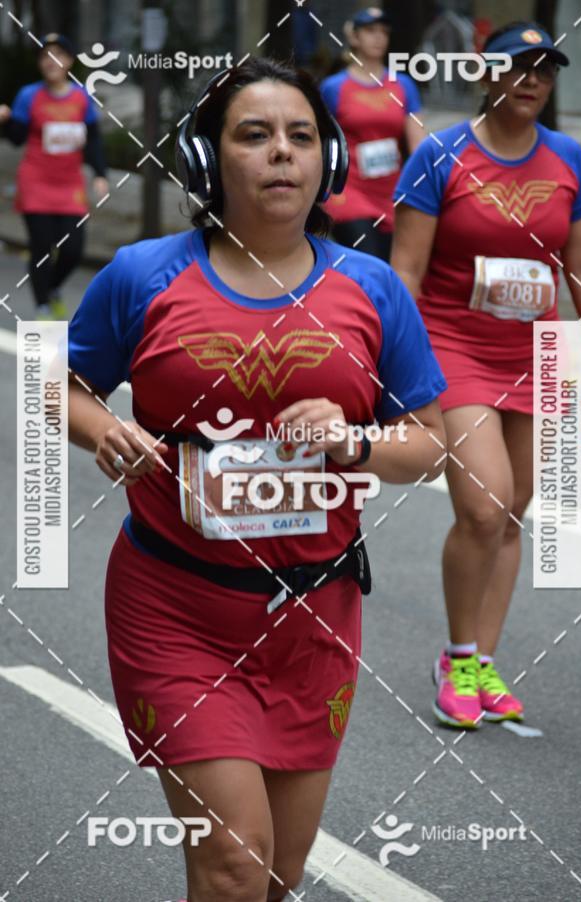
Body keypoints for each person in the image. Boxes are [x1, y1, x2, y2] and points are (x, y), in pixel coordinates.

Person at [68, 58, 447, 902]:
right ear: (208, 160)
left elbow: (430, 445)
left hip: (314, 620)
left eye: (301, 136)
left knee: (277, 876)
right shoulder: (141, 275)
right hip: (175, 610)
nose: (282, 152)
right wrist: (104, 429)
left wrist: (353, 441)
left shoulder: (374, 289)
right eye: (254, 134)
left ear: (329, 160)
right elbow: (62, 388)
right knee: (234, 864)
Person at [392, 22, 581, 730]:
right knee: (483, 507)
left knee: (514, 511)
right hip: (455, 347)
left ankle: (483, 658)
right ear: (488, 74)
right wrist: (396, 367)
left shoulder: (568, 159)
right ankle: (455, 659)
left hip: (542, 353)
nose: (533, 79)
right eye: (519, 66)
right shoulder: (441, 155)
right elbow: (406, 273)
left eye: (546, 69)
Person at [0, 33, 107, 320]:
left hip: (70, 185)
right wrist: (6, 120)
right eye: (45, 56)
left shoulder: (81, 97)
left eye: (58, 54)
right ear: (40, 63)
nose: (51, 61)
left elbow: (93, 139)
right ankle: (42, 308)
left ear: (69, 61)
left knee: (73, 250)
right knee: (42, 247)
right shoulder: (29, 95)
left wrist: (100, 174)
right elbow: (17, 138)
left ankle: (52, 289)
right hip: (35, 183)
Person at [320, 7, 423, 261]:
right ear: (354, 37)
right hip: (349, 193)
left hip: (392, 195)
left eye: (384, 32)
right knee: (368, 260)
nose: (378, 37)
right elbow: (319, 143)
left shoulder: (403, 85)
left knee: (389, 267)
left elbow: (419, 146)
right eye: (370, 30)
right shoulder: (333, 88)